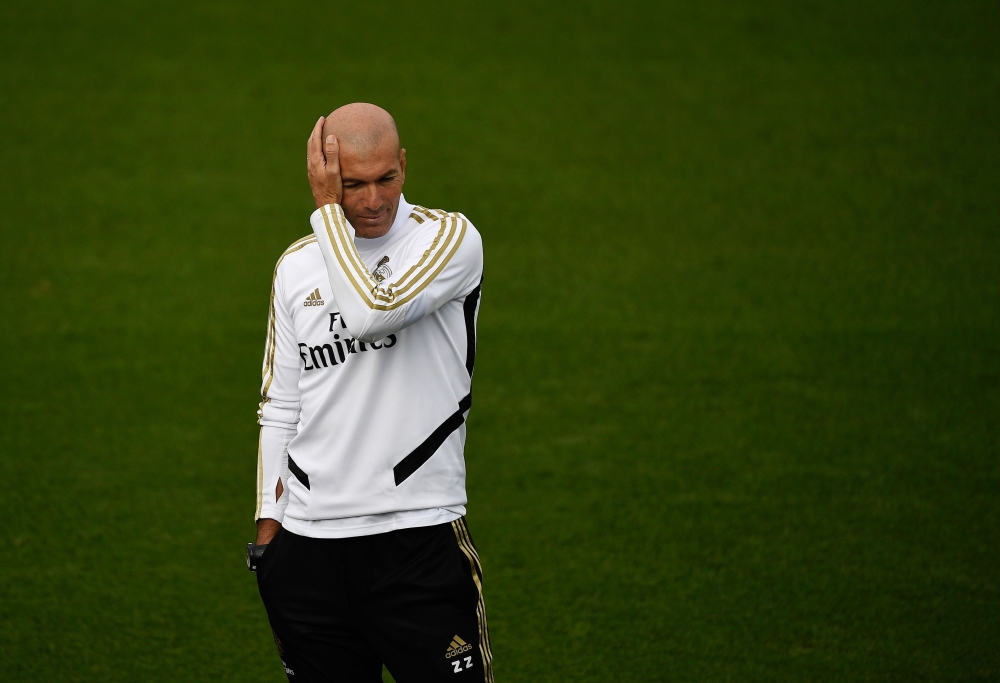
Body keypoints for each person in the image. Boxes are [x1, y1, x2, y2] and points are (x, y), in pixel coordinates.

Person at [247, 103, 491, 683]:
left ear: (404, 163)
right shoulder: (296, 267)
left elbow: (370, 314)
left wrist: (327, 213)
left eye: (387, 177)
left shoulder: (448, 239)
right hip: (307, 550)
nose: (375, 200)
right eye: (353, 185)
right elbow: (281, 405)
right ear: (327, 177)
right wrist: (269, 532)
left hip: (417, 539)